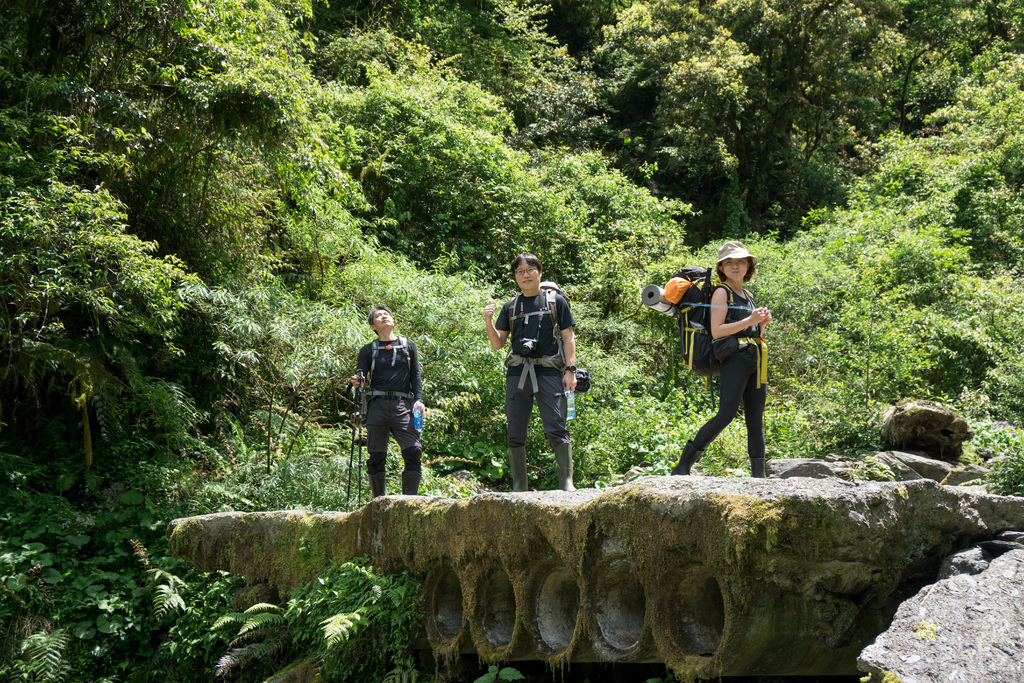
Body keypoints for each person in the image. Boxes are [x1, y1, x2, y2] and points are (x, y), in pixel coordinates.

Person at [671, 241, 772, 478]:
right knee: (726, 413)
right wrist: (750, 321)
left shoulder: (747, 295)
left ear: (749, 266)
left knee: (755, 419)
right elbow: (718, 331)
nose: (735, 266)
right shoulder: (721, 292)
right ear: (721, 267)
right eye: (729, 262)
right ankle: (683, 465)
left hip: (756, 358)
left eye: (740, 262)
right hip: (735, 358)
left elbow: (752, 333)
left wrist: (761, 325)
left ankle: (759, 476)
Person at [484, 253, 578, 492]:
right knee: (515, 429)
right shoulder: (511, 306)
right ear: (515, 277)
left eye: (529, 270)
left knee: (556, 425)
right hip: (518, 373)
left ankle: (567, 483)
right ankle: (519, 485)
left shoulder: (556, 301)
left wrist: (570, 370)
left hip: (549, 371)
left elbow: (568, 337)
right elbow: (498, 344)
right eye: (519, 271)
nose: (525, 275)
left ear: (539, 271)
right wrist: (488, 320)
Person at [350, 306, 425, 497]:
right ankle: (379, 503)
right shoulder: (367, 350)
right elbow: (361, 377)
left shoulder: (409, 346)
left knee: (413, 451)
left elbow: (416, 376)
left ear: (393, 320)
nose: (384, 317)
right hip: (377, 405)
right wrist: (357, 382)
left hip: (403, 405)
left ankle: (409, 503)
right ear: (372, 327)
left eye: (386, 314)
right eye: (378, 316)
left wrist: (419, 400)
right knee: (376, 455)